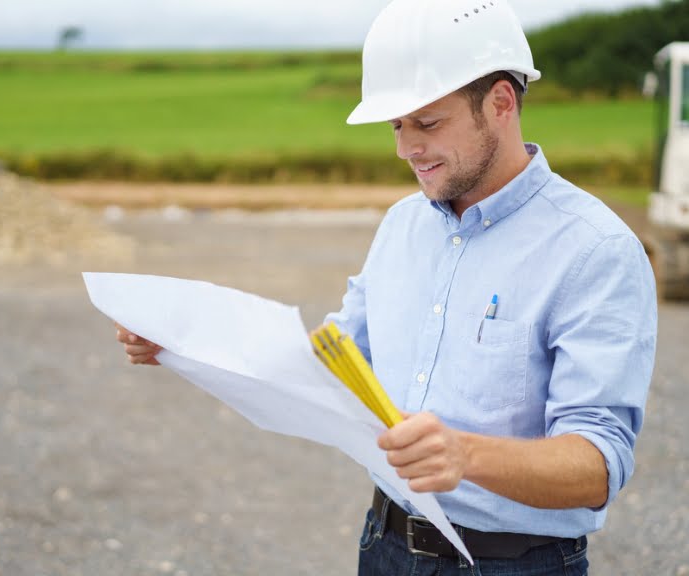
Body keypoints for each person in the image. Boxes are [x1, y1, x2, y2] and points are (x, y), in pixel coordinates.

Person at [116, 0, 658, 573]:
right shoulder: (403, 225)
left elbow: (597, 464)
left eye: (426, 123)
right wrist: (185, 342)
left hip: (515, 564)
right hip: (385, 545)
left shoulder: (595, 250)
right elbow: (332, 357)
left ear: (500, 102)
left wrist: (465, 455)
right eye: (397, 126)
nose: (405, 149)